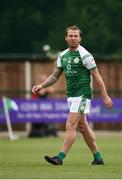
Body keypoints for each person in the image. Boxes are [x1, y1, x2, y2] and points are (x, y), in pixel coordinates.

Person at [32, 25, 113, 165]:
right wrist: (41, 86)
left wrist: (105, 96)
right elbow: (55, 76)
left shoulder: (85, 55)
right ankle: (98, 158)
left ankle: (60, 157)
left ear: (80, 38)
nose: (73, 38)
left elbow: (97, 76)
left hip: (83, 95)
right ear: (66, 38)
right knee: (83, 127)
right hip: (71, 96)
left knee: (70, 125)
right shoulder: (62, 55)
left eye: (76, 36)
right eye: (70, 36)